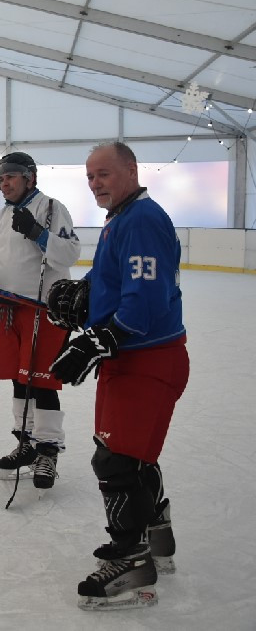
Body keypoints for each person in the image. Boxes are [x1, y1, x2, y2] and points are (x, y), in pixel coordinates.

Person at [48, 141, 188, 610]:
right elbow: (123, 284)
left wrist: (92, 341)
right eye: (90, 177)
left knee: (116, 462)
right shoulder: (122, 219)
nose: (95, 184)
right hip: (130, 357)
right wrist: (87, 296)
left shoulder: (142, 219)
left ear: (131, 170)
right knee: (127, 454)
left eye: (104, 174)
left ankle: (132, 560)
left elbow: (144, 304)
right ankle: (157, 535)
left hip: (147, 358)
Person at [0, 152, 81, 489]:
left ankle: (48, 450)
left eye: (11, 177)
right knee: (20, 380)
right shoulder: (1, 216)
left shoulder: (50, 208)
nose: (5, 183)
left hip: (45, 311)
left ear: (30, 178)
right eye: (1, 179)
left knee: (43, 381)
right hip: (11, 310)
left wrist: (37, 233)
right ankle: (26, 442)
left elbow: (70, 253)